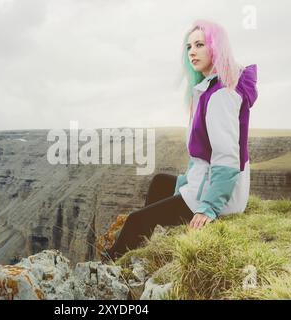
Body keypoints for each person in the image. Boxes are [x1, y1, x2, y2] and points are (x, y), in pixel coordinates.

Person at [102, 19, 258, 263]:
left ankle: (112, 267)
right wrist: (190, 181)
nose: (192, 52)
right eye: (189, 46)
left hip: (220, 194)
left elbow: (227, 156)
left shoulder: (220, 96)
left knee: (136, 221)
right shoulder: (210, 88)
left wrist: (209, 206)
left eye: (199, 44)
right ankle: (149, 243)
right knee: (160, 183)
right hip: (207, 182)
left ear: (216, 47)